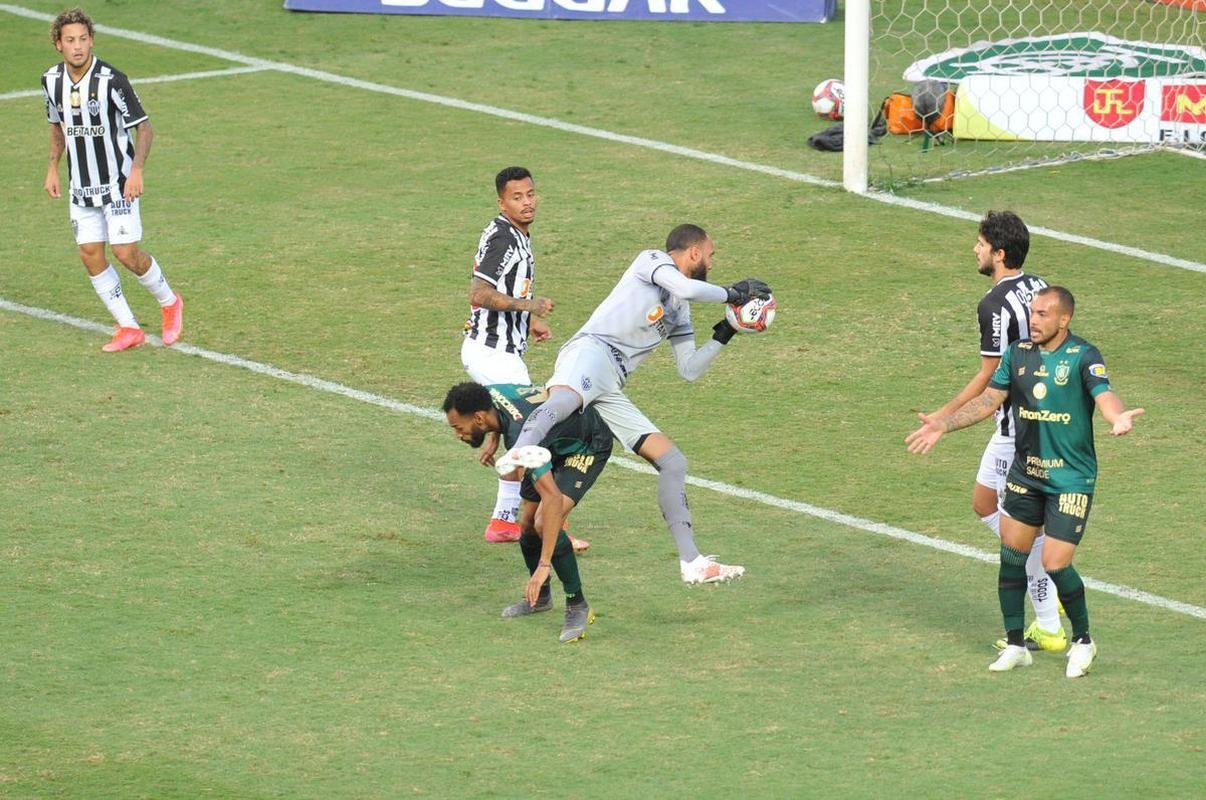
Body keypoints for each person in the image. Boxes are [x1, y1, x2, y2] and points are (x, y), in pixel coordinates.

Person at [497, 223, 771, 584]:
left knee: (673, 462)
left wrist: (726, 332)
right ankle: (518, 451)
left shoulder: (679, 309)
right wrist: (733, 293)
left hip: (613, 381)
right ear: (693, 252)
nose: (711, 261)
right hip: (591, 350)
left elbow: (688, 369)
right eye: (710, 254)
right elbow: (686, 285)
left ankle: (692, 561)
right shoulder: (652, 261)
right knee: (564, 399)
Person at [907, 286, 1144, 677]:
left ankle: (1083, 641)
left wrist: (1117, 418)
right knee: (1012, 556)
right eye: (1033, 313)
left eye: (1044, 314)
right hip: (1026, 474)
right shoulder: (1017, 354)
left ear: (1064, 319)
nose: (1034, 320)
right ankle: (1017, 644)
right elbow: (988, 401)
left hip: (1070, 480)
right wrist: (943, 424)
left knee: (1054, 562)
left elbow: (1105, 396)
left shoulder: (1084, 356)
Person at [921, 211, 1063, 651]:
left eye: (981, 243)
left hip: (1017, 427)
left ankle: (1048, 620)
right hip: (1044, 415)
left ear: (999, 254)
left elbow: (989, 377)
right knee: (984, 503)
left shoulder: (993, 306)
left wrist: (943, 416)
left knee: (1018, 533)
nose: (975, 249)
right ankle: (1046, 580)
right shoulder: (1037, 285)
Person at [460, 167, 587, 552]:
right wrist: (527, 304)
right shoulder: (504, 239)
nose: (527, 202)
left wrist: (528, 319)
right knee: (538, 433)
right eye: (517, 197)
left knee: (525, 431)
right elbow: (479, 294)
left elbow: (503, 289)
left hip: (499, 351)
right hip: (492, 352)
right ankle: (536, 522)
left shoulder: (516, 234)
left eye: (530, 194)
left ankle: (507, 520)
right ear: (502, 202)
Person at [41, 7, 183, 352]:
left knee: (125, 253)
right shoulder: (51, 80)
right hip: (81, 187)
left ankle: (169, 302)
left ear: (91, 40)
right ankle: (128, 327)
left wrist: (136, 170)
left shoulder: (111, 80)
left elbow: (144, 127)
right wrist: (51, 167)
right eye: (70, 40)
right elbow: (57, 126)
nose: (78, 46)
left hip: (118, 184)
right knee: (89, 252)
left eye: (83, 39)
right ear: (58, 44)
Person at [444, 381, 613, 643]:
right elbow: (509, 409)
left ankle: (577, 603)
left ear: (478, 417)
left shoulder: (522, 436)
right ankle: (541, 598)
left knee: (544, 523)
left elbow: (553, 498)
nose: (458, 434)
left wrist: (544, 565)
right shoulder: (490, 393)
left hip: (584, 445)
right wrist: (493, 437)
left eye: (458, 427)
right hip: (550, 443)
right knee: (526, 525)